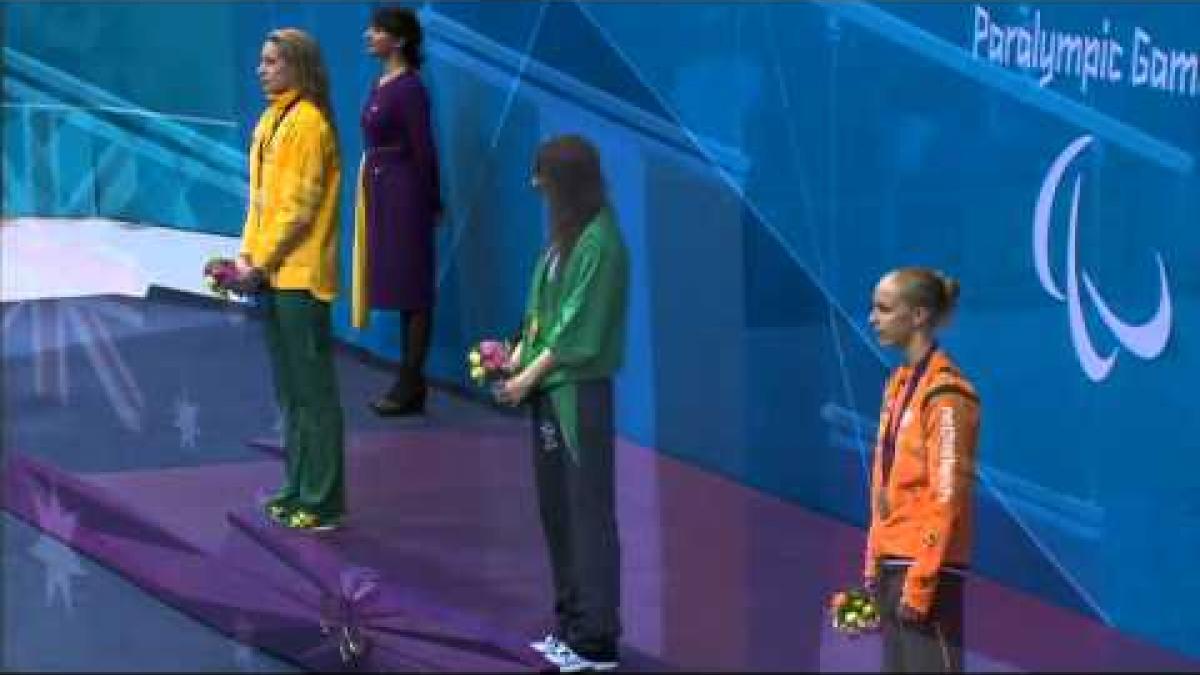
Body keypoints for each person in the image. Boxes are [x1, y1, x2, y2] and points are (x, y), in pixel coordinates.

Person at [494, 135, 629, 673]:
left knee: (587, 513)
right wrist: (512, 358)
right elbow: (543, 313)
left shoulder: (601, 244)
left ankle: (596, 639)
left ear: (567, 179)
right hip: (549, 392)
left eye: (542, 174)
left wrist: (525, 377)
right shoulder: (563, 240)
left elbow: (578, 330)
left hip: (579, 396)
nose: (535, 185)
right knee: (557, 514)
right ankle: (570, 627)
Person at [236, 27, 346, 531]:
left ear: (298, 67)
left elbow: (297, 210)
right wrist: (246, 259)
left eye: (273, 62)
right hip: (272, 273)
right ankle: (299, 485)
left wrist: (258, 263)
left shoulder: (308, 124)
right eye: (261, 62)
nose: (262, 69)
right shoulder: (269, 121)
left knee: (313, 393)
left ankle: (324, 501)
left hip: (300, 277)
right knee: (290, 393)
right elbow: (260, 205)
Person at [863, 267, 981, 672]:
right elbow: (886, 483)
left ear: (917, 316)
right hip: (894, 564)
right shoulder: (897, 385)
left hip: (928, 571)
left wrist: (921, 582)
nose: (872, 318)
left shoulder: (948, 394)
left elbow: (946, 496)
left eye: (883, 308)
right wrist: (874, 563)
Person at [352, 6, 443, 417]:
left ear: (400, 40)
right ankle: (413, 382)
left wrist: (431, 199)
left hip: (405, 193)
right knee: (399, 285)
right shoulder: (380, 83)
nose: (369, 35)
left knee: (414, 289)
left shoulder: (410, 89)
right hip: (381, 190)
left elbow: (424, 148)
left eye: (378, 30)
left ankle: (409, 383)